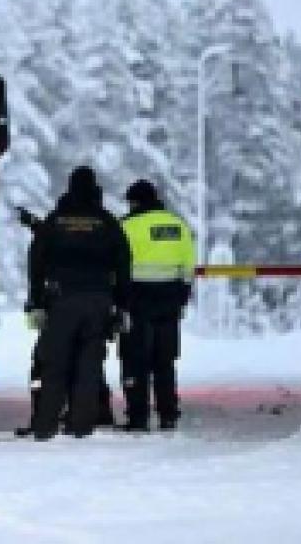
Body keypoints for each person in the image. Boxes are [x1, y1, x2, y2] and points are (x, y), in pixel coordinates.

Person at [22, 166, 131, 441]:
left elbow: (36, 260)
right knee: (89, 365)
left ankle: (46, 425)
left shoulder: (55, 222)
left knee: (55, 364)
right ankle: (81, 425)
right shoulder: (107, 222)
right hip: (98, 301)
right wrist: (121, 304)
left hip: (61, 302)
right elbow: (123, 264)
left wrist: (36, 300)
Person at [118, 179, 197, 432]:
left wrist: (119, 301)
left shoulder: (127, 226)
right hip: (170, 299)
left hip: (137, 299)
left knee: (135, 359)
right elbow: (188, 267)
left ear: (135, 202)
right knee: (165, 360)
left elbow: (118, 267)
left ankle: (138, 416)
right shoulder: (177, 225)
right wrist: (182, 296)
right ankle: (168, 413)